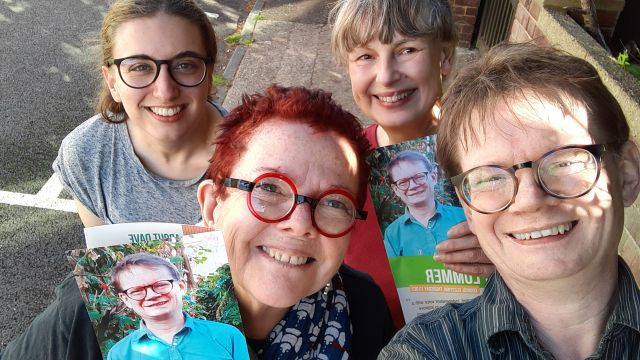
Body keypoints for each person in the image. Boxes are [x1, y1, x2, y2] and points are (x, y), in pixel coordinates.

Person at [1, 85, 394, 359]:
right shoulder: (89, 314)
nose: (300, 222)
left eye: (335, 203)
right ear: (212, 203)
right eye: (270, 188)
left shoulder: (364, 311)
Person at [379, 42, 640, 359]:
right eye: (489, 177)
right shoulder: (426, 350)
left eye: (563, 161)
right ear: (468, 208)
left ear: (626, 173)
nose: (529, 200)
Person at [330, 0, 493, 328]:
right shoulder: (338, 166)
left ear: (444, 57)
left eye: (407, 50)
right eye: (365, 56)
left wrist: (509, 256)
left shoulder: (491, 156)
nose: (387, 76)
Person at [53, 0, 224, 227]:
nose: (165, 92)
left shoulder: (257, 155)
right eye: (140, 67)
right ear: (112, 82)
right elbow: (106, 256)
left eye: (184, 65)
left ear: (209, 74)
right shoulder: (86, 154)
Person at [107, 253, 249, 360]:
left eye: (161, 285)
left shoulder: (228, 336)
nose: (151, 295)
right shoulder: (118, 354)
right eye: (137, 291)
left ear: (181, 286)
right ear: (126, 299)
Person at [384, 150, 465, 257]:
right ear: (396, 190)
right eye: (403, 182)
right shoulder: (393, 234)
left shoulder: (464, 216)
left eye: (419, 177)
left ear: (433, 178)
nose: (412, 186)